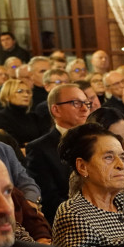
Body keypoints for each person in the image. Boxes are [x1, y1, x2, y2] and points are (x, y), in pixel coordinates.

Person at [26, 84, 91, 222]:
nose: (85, 109)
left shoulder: (98, 141)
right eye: (76, 103)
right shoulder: (39, 149)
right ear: (56, 110)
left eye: (86, 103)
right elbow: (50, 199)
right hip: (72, 221)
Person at [0, 78, 49, 148]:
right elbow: (10, 145)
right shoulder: (0, 117)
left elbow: (46, 141)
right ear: (7, 96)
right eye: (20, 91)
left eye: (28, 92)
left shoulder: (34, 117)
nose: (26, 95)